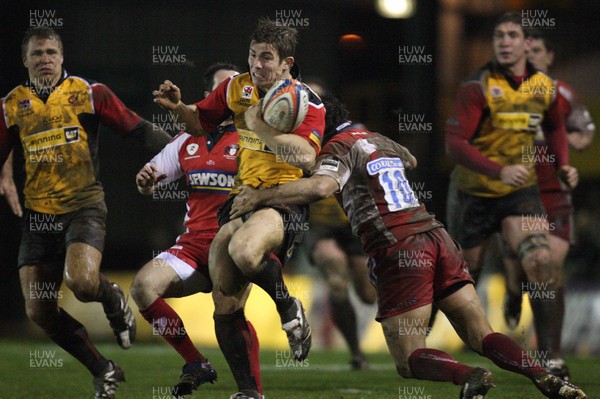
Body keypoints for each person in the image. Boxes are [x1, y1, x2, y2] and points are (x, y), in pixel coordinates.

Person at [229, 95, 587, 399]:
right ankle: (543, 375)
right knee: (482, 333)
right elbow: (410, 159)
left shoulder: (336, 147)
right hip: (436, 236)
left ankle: (468, 376)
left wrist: (262, 195)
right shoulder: (375, 138)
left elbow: (321, 188)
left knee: (407, 359)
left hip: (399, 246)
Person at [152, 18, 325, 399]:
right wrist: (179, 106)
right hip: (241, 199)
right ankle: (250, 392)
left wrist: (259, 125)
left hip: (283, 200)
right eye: (252, 56)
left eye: (266, 57)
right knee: (225, 299)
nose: (257, 65)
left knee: (245, 251)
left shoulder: (304, 101)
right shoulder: (237, 87)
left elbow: (308, 157)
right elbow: (199, 123)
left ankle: (288, 307)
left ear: (286, 63)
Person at [0, 28, 171, 399]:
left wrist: (180, 152)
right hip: (37, 217)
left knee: (80, 281)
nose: (44, 58)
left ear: (61, 58)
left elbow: (137, 129)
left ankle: (111, 298)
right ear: (25, 61)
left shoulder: (89, 94)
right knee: (39, 311)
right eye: (36, 53)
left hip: (84, 207)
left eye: (50, 52)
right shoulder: (11, 106)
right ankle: (103, 369)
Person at [444, 11, 581, 378]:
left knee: (542, 261)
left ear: (527, 45)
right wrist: (497, 169)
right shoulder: (477, 87)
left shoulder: (545, 88)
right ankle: (452, 343)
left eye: (512, 36)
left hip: (520, 193)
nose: (504, 42)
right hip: (473, 193)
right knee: (464, 274)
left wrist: (563, 164)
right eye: (499, 36)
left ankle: (551, 356)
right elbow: (454, 144)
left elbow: (555, 127)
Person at [130, 63, 262, 397]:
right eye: (225, 89)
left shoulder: (256, 138)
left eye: (238, 89)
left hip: (234, 244)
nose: (234, 96)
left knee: (228, 313)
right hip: (193, 246)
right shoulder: (186, 140)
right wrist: (145, 183)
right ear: (210, 98)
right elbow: (150, 178)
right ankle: (196, 362)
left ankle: (253, 392)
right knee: (143, 288)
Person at [500, 30, 596, 380]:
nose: (531, 56)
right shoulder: (503, 93)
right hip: (516, 198)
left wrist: (554, 134)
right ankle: (513, 294)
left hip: (553, 198)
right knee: (519, 278)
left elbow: (585, 134)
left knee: (548, 269)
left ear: (549, 57)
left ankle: (551, 355)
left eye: (537, 51)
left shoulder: (561, 94)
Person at [299, 79, 376, 370]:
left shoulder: (353, 133)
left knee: (368, 295)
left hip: (354, 222)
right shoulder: (293, 139)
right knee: (335, 277)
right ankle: (356, 352)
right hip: (318, 224)